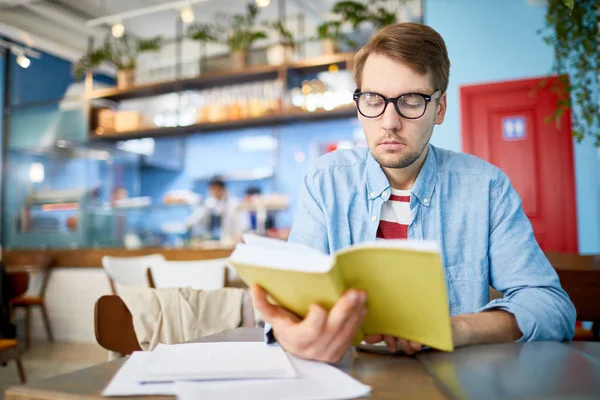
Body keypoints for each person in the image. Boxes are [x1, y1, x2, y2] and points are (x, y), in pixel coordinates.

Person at [250, 22, 576, 363]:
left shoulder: (486, 187)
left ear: (440, 108)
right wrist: (291, 334)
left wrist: (456, 328)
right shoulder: (325, 181)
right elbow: (291, 304)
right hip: (348, 373)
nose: (389, 121)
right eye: (374, 99)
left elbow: (551, 306)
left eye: (410, 100)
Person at [187, 176, 247, 244]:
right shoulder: (209, 203)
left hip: (231, 240)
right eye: (212, 190)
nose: (214, 193)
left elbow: (240, 225)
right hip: (214, 240)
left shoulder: (234, 204)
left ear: (222, 189)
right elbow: (196, 217)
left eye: (215, 190)